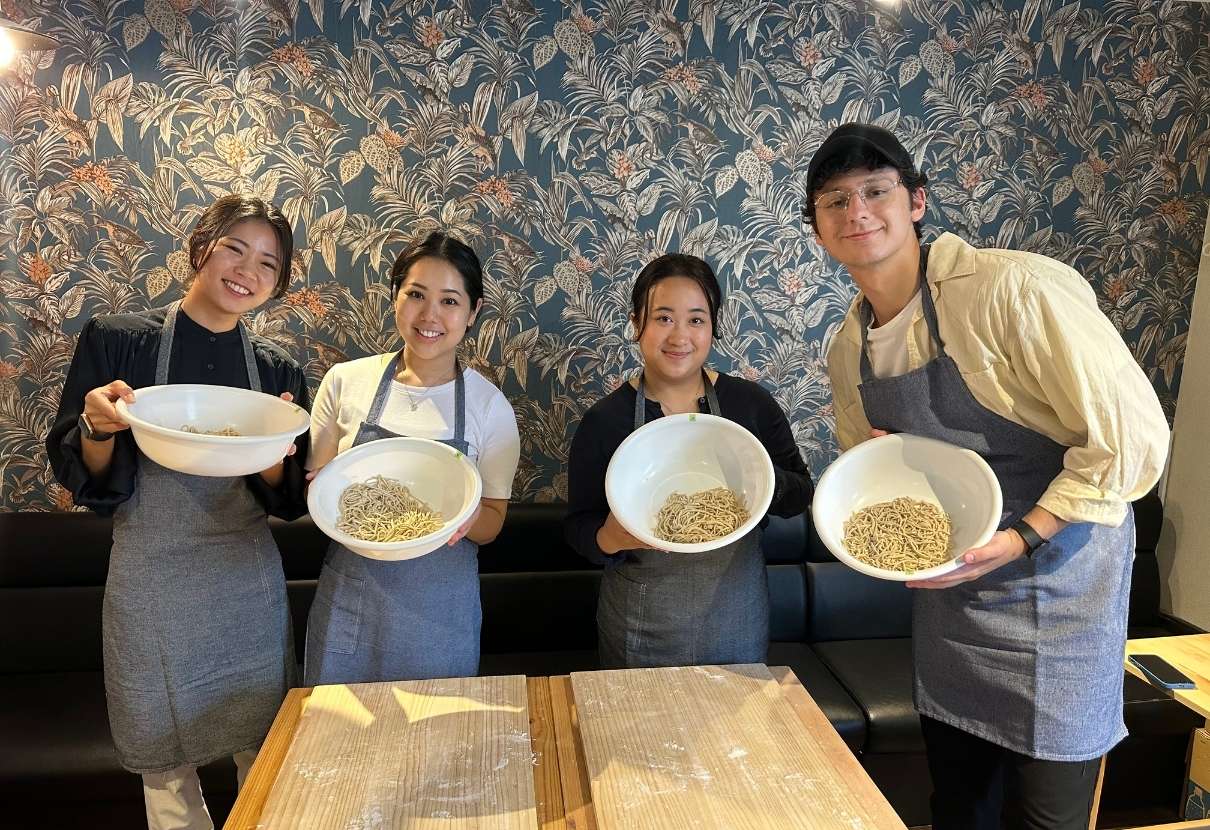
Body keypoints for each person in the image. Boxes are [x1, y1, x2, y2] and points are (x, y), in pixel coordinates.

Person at [805, 122, 1170, 829]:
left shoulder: (1013, 290)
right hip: (955, 603)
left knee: (1046, 819)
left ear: (916, 201)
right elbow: (865, 460)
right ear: (817, 229)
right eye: (835, 201)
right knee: (960, 807)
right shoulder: (850, 346)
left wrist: (1023, 536)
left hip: (1059, 595)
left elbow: (1130, 439)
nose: (857, 213)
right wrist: (886, 469)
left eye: (875, 191)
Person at [46, 195, 309, 830]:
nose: (247, 271)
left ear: (276, 284)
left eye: (268, 264)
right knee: (162, 757)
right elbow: (87, 479)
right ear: (200, 248)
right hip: (151, 574)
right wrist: (98, 427)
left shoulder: (276, 371)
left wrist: (270, 447)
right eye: (234, 249)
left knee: (264, 747)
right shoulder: (119, 342)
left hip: (244, 579)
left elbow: (288, 499)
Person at [563, 253, 814, 668]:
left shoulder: (749, 405)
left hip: (736, 616)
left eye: (696, 319)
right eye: (663, 318)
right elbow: (578, 528)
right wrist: (610, 536)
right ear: (636, 323)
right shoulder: (606, 420)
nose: (679, 335)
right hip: (640, 621)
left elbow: (800, 494)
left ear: (713, 327)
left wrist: (762, 480)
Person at [303, 231, 520, 684]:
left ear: (473, 312)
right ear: (395, 297)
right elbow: (317, 485)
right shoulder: (345, 381)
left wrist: (463, 519)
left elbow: (493, 520)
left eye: (449, 301)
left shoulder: (489, 406)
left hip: (440, 611)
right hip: (352, 599)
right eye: (416, 294)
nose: (429, 315)